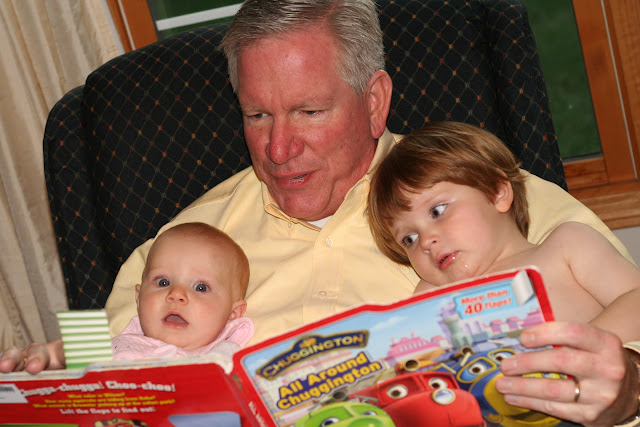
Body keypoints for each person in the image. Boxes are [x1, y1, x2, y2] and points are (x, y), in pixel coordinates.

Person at [2, 0, 639, 424]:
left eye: (309, 112)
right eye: (258, 115)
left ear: (374, 100)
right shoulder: (189, 236)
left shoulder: (476, 197)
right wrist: (51, 366)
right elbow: (107, 336)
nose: (278, 149)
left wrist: (626, 384)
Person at [367, 121, 640, 343]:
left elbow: (635, 297)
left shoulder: (566, 246)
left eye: (437, 211)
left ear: (497, 192)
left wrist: (584, 347)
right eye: (409, 239)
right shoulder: (432, 295)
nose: (426, 241)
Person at [111, 222, 253, 361]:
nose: (176, 294)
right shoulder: (118, 351)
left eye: (201, 288)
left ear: (232, 313)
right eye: (163, 282)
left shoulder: (225, 361)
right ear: (139, 298)